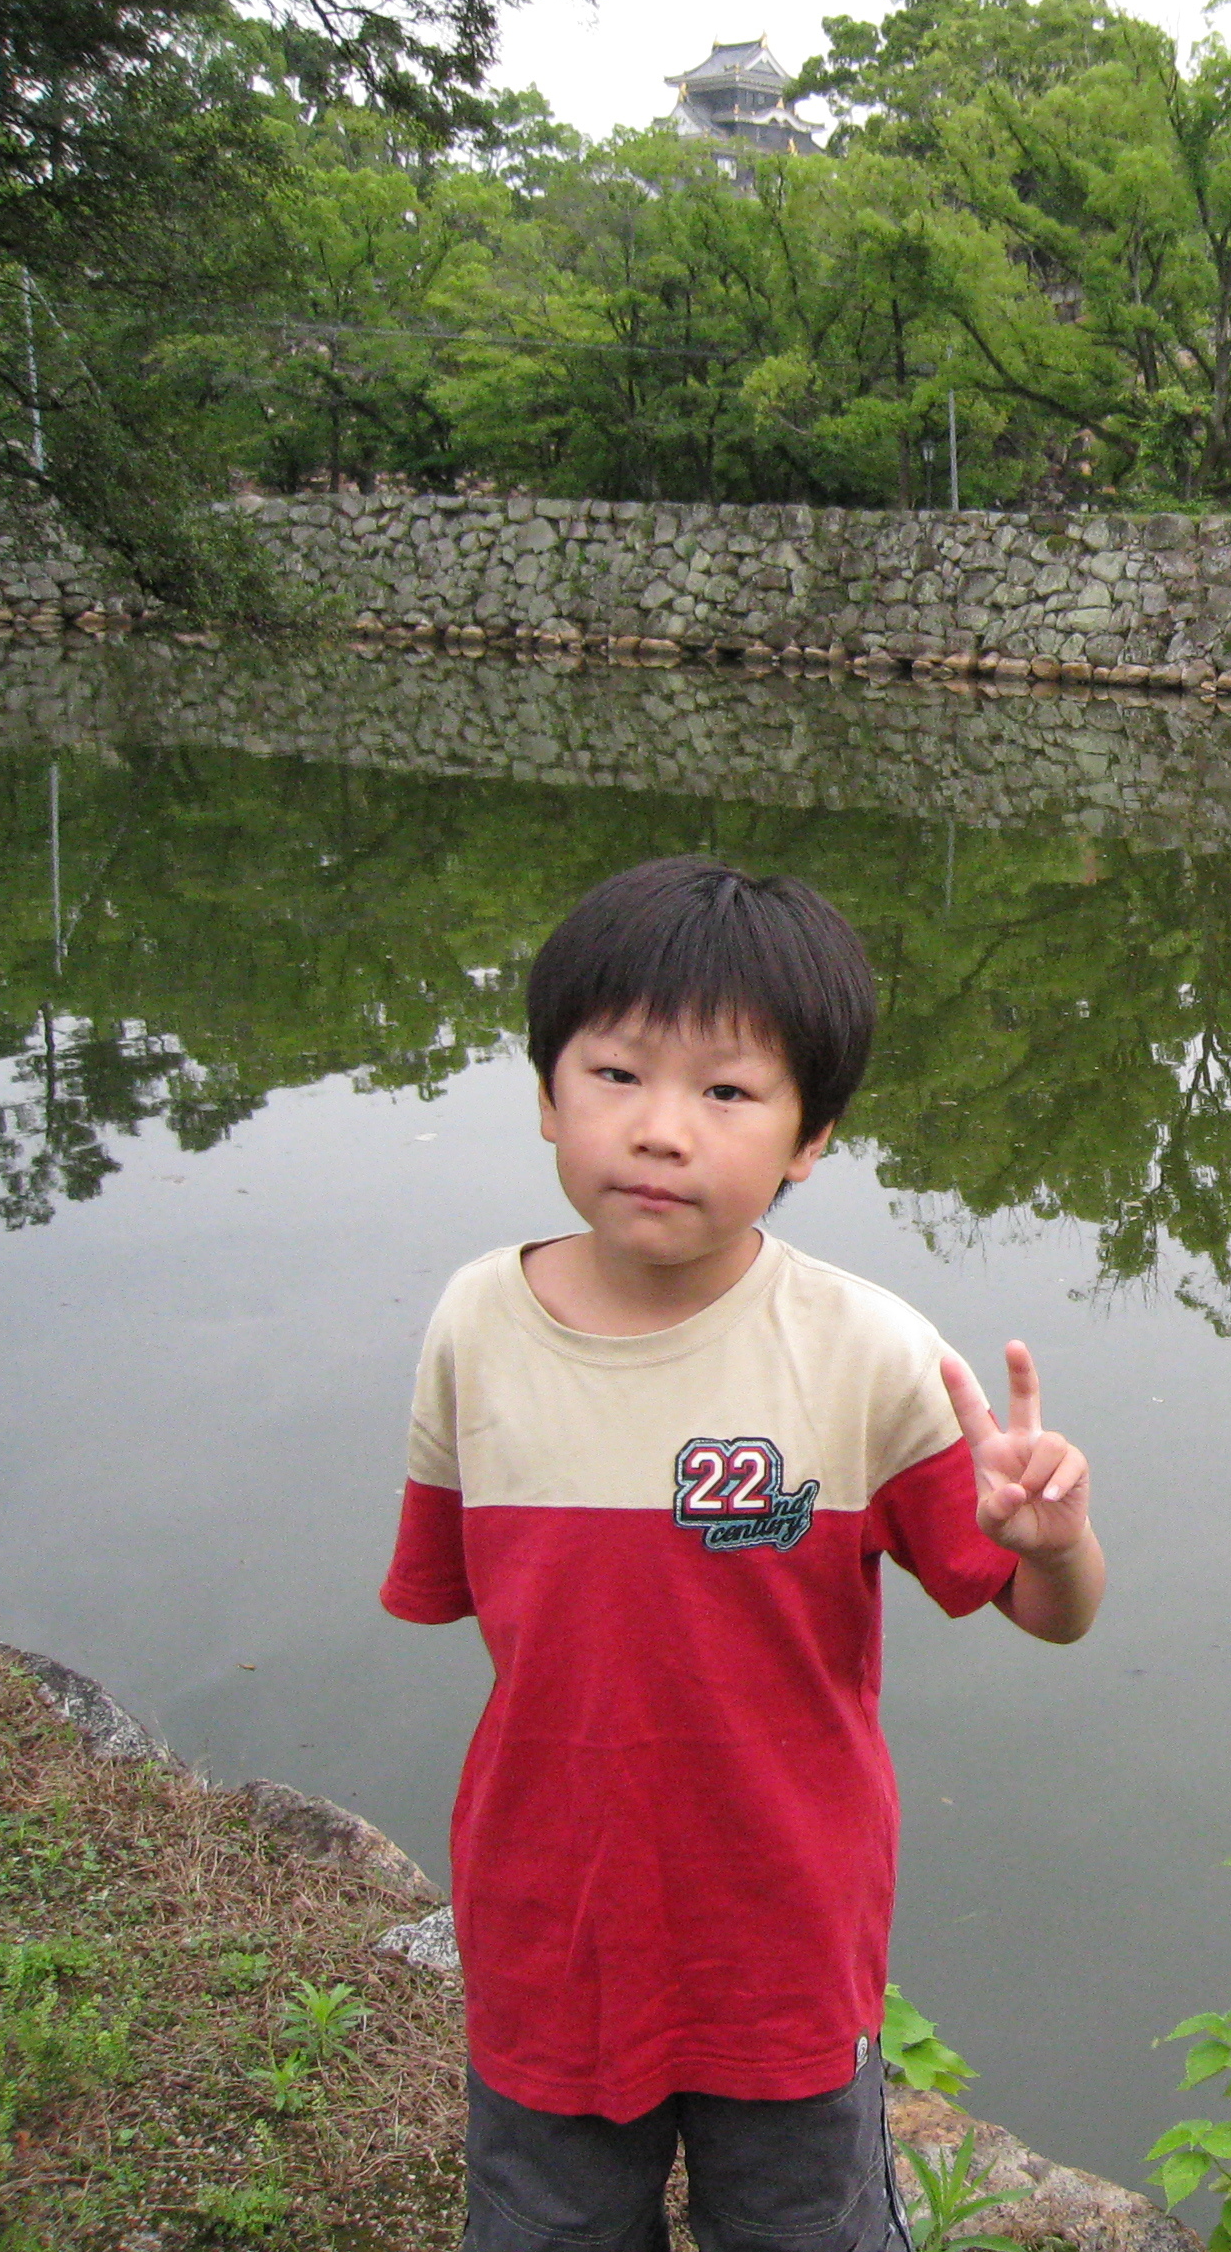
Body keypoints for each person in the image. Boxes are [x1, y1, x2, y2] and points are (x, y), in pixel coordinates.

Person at [382, 853, 1105, 2252]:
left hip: (780, 1929)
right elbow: (476, 1602)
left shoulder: (869, 1354)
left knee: (803, 2227)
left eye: (726, 1092)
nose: (661, 1131)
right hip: (552, 1921)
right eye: (616, 1075)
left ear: (809, 1136)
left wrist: (1057, 1545)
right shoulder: (476, 1325)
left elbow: (1049, 1612)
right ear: (546, 1092)